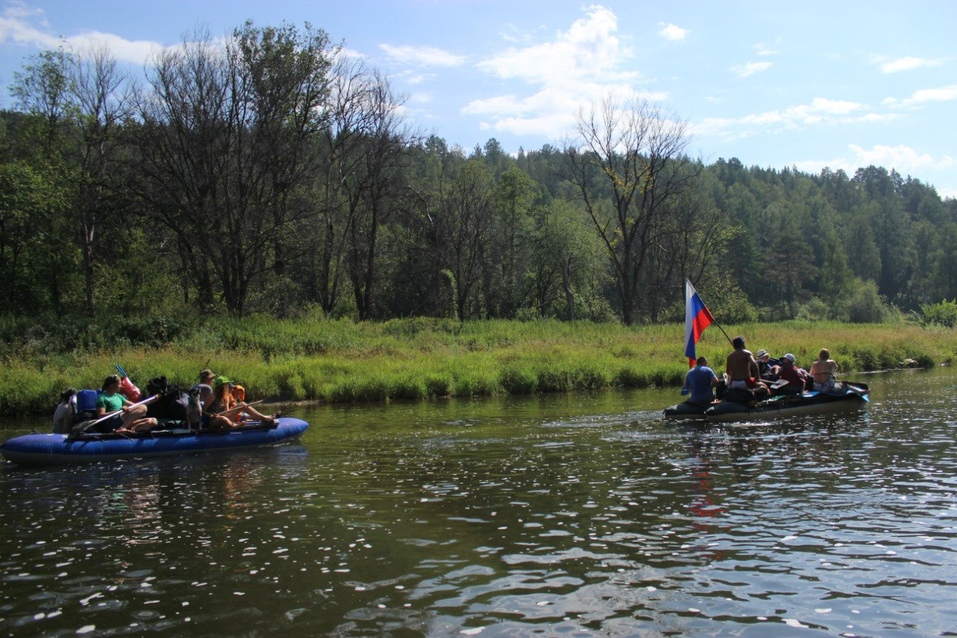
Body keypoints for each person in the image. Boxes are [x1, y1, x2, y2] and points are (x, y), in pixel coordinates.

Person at [204, 376, 276, 429]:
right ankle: (235, 426)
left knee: (242, 404)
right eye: (228, 386)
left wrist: (235, 411)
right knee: (223, 419)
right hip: (213, 421)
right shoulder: (212, 396)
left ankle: (263, 417)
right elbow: (203, 411)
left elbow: (226, 412)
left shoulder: (226, 396)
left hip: (223, 416)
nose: (230, 388)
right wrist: (211, 415)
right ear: (223, 387)